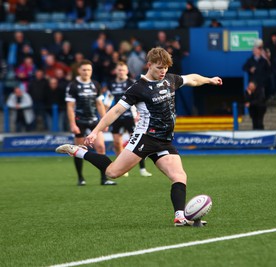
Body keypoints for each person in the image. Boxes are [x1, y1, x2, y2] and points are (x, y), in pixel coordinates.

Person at [56, 47, 222, 226]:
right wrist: (96, 131)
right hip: (145, 138)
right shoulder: (138, 88)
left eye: (165, 67)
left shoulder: (170, 80)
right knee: (112, 173)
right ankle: (77, 151)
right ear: (149, 65)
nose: (163, 71)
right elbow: (115, 111)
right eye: (159, 67)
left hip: (164, 141)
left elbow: (192, 79)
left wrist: (209, 80)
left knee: (179, 176)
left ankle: (180, 217)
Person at [64, 59, 116, 186]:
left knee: (101, 147)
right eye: (84, 70)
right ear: (79, 70)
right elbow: (70, 107)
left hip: (94, 121)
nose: (86, 72)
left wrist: (105, 121)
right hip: (79, 121)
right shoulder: (73, 85)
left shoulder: (95, 85)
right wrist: (72, 124)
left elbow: (99, 104)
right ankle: (80, 178)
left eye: (89, 70)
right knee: (78, 149)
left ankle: (104, 178)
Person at [104, 61, 152, 177]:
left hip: (131, 117)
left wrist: (140, 114)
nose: (121, 72)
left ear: (127, 71)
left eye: (123, 70)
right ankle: (122, 168)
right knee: (116, 143)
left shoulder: (132, 83)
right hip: (116, 117)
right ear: (116, 71)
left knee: (136, 142)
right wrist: (105, 119)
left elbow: (140, 100)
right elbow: (107, 102)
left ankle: (142, 169)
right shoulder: (111, 85)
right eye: (119, 70)